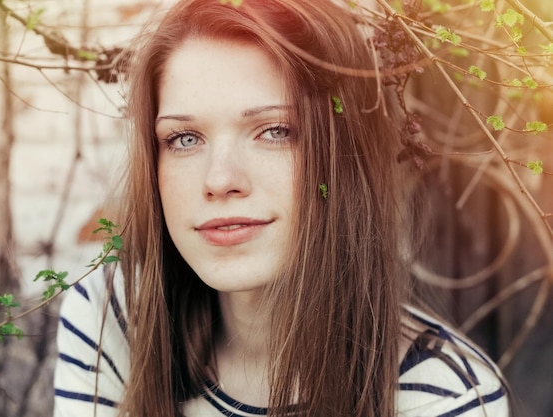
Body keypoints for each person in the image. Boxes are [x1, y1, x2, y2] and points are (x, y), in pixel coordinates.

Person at [53, 0, 511, 416]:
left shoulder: (441, 397)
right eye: (184, 139)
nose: (220, 181)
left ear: (343, 159)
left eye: (275, 131)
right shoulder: (115, 314)